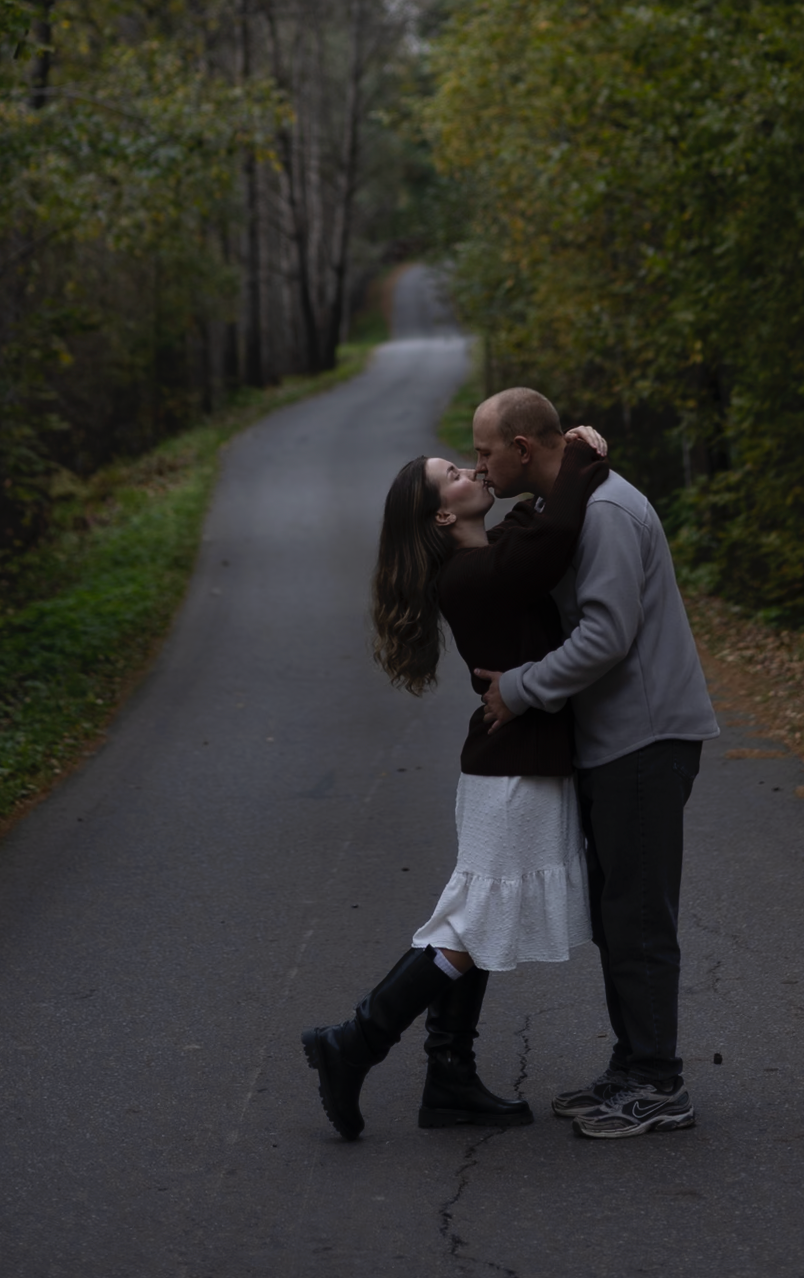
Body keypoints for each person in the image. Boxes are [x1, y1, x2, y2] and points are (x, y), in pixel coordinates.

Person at [301, 425, 608, 1142]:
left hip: (511, 764)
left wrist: (553, 469)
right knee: (475, 926)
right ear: (443, 513)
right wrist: (580, 458)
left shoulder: (489, 555)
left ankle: (448, 1076)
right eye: (456, 474)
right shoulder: (468, 578)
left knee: (474, 921)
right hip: (513, 771)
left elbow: (531, 527)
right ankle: (356, 1041)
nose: (473, 471)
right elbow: (552, 537)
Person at [472, 388, 718, 1141]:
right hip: (618, 741)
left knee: (638, 918)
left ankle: (660, 1085)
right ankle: (634, 1064)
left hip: (645, 739)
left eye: (484, 452)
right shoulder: (569, 503)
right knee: (619, 917)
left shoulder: (606, 512)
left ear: (522, 448)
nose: (478, 467)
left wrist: (520, 689)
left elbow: (607, 635)